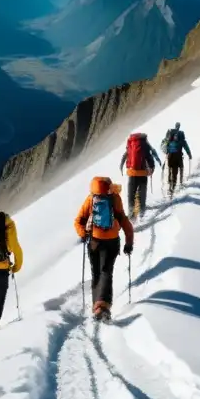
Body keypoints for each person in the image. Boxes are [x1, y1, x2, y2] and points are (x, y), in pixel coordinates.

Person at [74, 176, 133, 322]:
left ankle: (97, 306)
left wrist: (84, 233)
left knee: (96, 273)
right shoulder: (114, 198)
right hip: (112, 241)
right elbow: (123, 220)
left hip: (94, 241)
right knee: (107, 272)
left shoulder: (91, 199)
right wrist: (129, 242)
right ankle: (104, 307)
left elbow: (78, 221)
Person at [119, 132, 161, 217]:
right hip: (142, 173)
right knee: (142, 194)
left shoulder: (131, 143)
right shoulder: (144, 144)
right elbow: (149, 157)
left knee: (131, 195)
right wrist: (152, 168)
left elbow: (125, 155)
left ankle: (131, 214)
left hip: (132, 173)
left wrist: (121, 166)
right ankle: (142, 213)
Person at [161, 122, 192, 196]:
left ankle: (169, 185)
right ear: (179, 126)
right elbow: (186, 147)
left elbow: (163, 144)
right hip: (178, 156)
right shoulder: (181, 136)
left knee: (170, 169)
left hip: (170, 156)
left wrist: (166, 151)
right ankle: (176, 185)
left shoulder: (169, 136)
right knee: (179, 169)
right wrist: (189, 154)